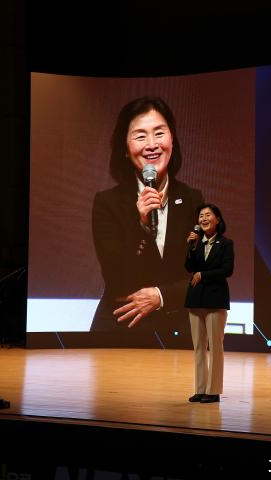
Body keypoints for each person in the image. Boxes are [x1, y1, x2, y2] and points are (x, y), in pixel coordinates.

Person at [90, 96, 204, 341]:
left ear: (172, 140)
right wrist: (140, 226)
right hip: (121, 326)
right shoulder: (107, 203)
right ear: (124, 148)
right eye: (140, 136)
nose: (152, 145)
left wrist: (160, 296)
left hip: (178, 329)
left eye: (159, 133)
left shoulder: (193, 200)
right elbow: (114, 274)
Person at [184, 204, 234, 403]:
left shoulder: (226, 243)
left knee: (215, 347)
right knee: (198, 347)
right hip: (195, 299)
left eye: (208, 215)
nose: (203, 219)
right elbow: (189, 267)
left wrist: (203, 275)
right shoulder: (196, 243)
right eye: (201, 216)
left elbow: (227, 270)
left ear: (217, 219)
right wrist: (191, 247)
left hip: (215, 299)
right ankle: (200, 388)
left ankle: (213, 391)